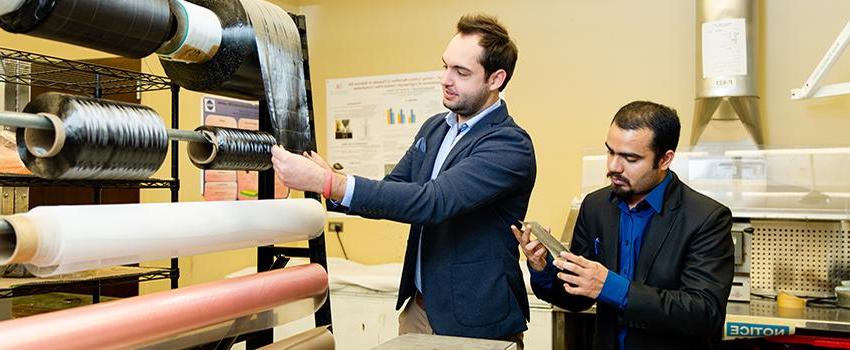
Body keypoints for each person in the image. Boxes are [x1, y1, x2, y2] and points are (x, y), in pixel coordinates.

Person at [272, 14, 535, 347]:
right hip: (418, 310)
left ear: (496, 78)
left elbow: (432, 202)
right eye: (445, 67)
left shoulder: (509, 145)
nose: (446, 80)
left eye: (461, 72)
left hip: (476, 319)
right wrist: (333, 180)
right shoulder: (435, 128)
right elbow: (396, 188)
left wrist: (330, 183)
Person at [513, 101, 733, 350]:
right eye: (611, 152)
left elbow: (705, 314)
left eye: (630, 158)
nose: (613, 167)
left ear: (664, 159)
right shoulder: (595, 206)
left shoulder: (706, 218)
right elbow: (576, 297)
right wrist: (542, 269)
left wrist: (612, 287)